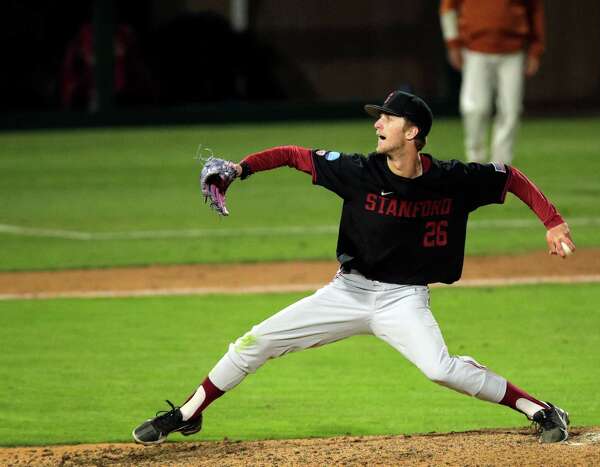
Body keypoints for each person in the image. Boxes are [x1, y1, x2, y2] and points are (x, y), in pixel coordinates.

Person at [132, 90, 574, 446]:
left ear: (413, 131)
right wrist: (239, 169)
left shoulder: (452, 179)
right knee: (256, 341)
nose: (377, 123)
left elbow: (509, 177)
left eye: (387, 117)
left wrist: (552, 221)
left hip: (404, 299)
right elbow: (293, 154)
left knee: (440, 369)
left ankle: (540, 410)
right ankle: (188, 414)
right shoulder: (359, 171)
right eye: (377, 116)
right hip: (348, 293)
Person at [440, 0, 545, 164]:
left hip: (513, 51)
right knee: (475, 108)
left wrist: (536, 49)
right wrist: (453, 43)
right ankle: (476, 162)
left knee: (511, 110)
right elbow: (448, 8)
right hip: (475, 48)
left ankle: (500, 167)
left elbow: (535, 11)